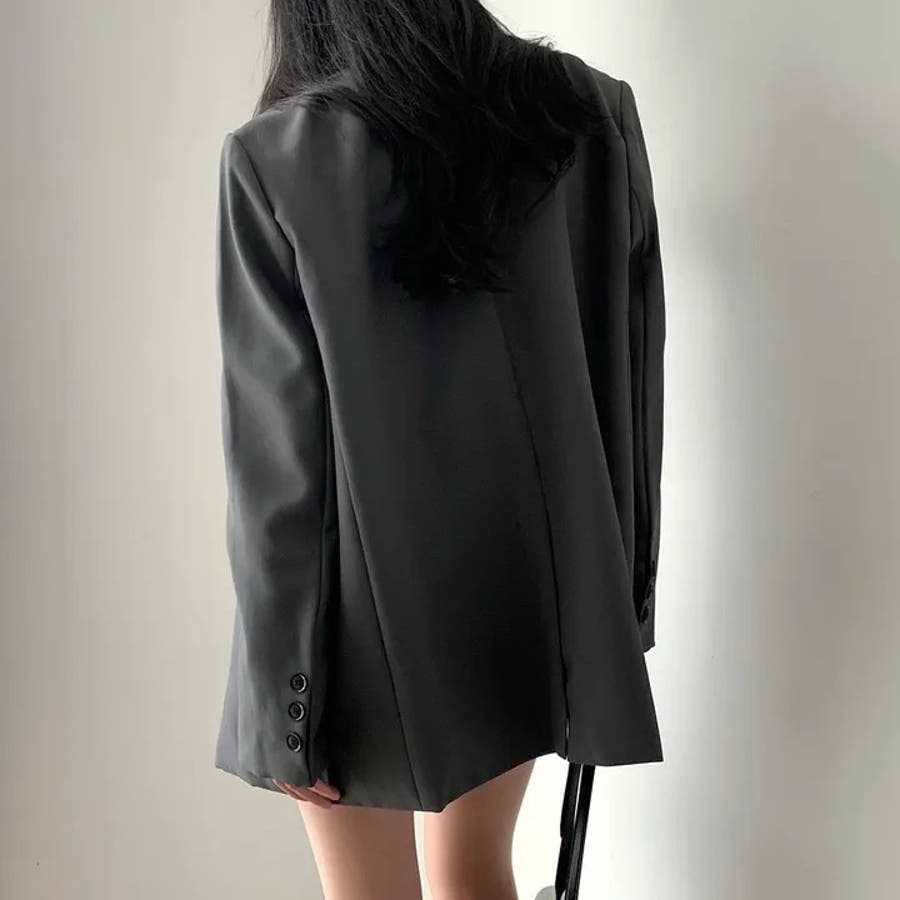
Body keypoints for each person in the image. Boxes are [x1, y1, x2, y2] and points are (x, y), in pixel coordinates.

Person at [212, 1, 666, 898]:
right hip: (526, 599)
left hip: (352, 629)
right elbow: (631, 374)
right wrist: (621, 603)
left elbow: (279, 479)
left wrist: (287, 709)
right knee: (476, 873)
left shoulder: (277, 159)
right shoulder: (589, 114)